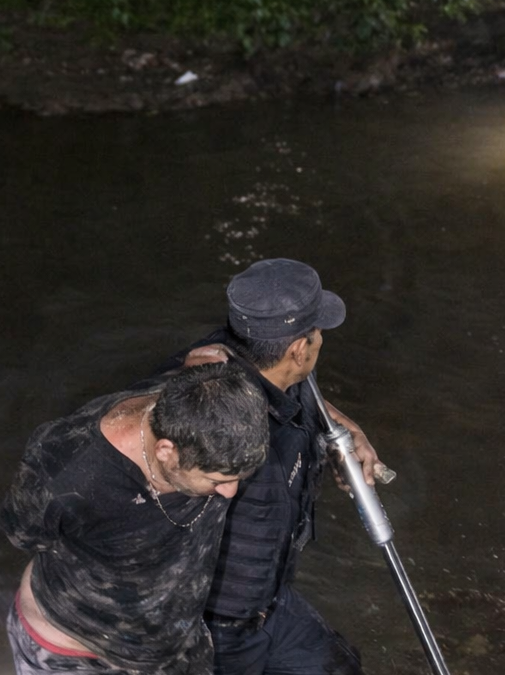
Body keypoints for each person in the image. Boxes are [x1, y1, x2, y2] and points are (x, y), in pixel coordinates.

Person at [162, 258, 383, 675]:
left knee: (340, 667)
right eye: (317, 335)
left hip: (273, 602)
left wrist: (340, 429)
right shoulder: (211, 415)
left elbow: (299, 389)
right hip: (215, 628)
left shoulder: (256, 358)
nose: (320, 342)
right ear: (299, 349)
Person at [0, 362, 270, 675]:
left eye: (240, 477)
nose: (229, 491)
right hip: (75, 650)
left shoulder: (216, 402)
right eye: (216, 480)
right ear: (166, 451)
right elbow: (21, 532)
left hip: (175, 648)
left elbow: (280, 365)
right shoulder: (68, 469)